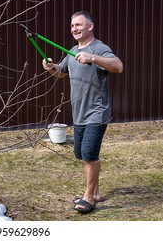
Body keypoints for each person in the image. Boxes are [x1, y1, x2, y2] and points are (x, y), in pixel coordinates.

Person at [42, 11, 123, 213]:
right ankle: (95, 191)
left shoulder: (100, 48)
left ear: (90, 26)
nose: (74, 29)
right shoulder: (72, 50)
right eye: (72, 26)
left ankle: (89, 198)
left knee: (89, 155)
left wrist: (93, 58)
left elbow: (118, 66)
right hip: (78, 114)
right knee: (83, 154)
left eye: (78, 25)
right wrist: (50, 67)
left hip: (96, 112)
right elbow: (62, 73)